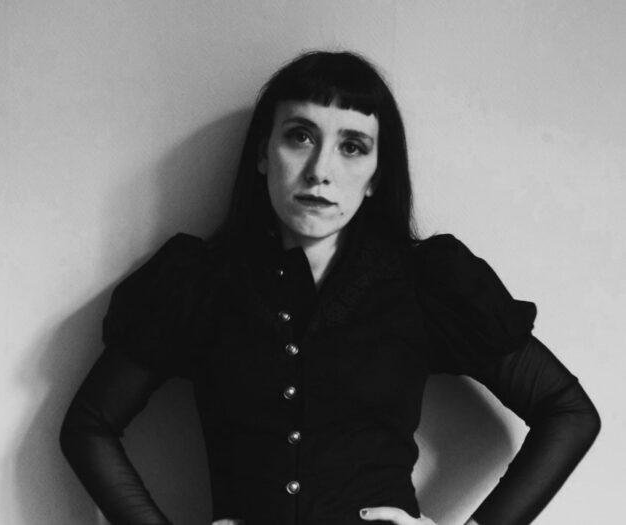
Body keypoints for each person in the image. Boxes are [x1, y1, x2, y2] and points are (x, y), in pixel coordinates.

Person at [59, 51, 601, 525]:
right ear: (262, 154)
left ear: (377, 175)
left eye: (353, 146)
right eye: (300, 136)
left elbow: (568, 412)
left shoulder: (426, 284)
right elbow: (89, 426)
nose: (321, 170)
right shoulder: (199, 284)